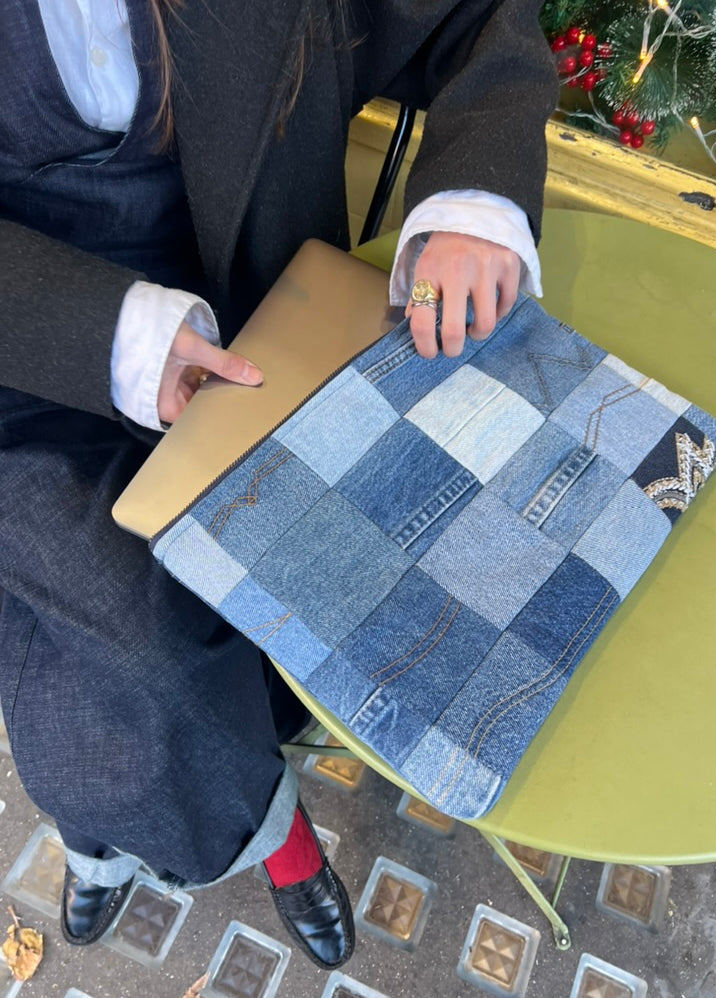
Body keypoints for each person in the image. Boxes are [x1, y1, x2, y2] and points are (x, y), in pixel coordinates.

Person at [0, 0, 557, 971]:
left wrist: (474, 195)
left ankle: (105, 836)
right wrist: (111, 335)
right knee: (129, 646)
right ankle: (267, 840)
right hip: (27, 353)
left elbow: (477, 17)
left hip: (258, 309)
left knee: (259, 598)